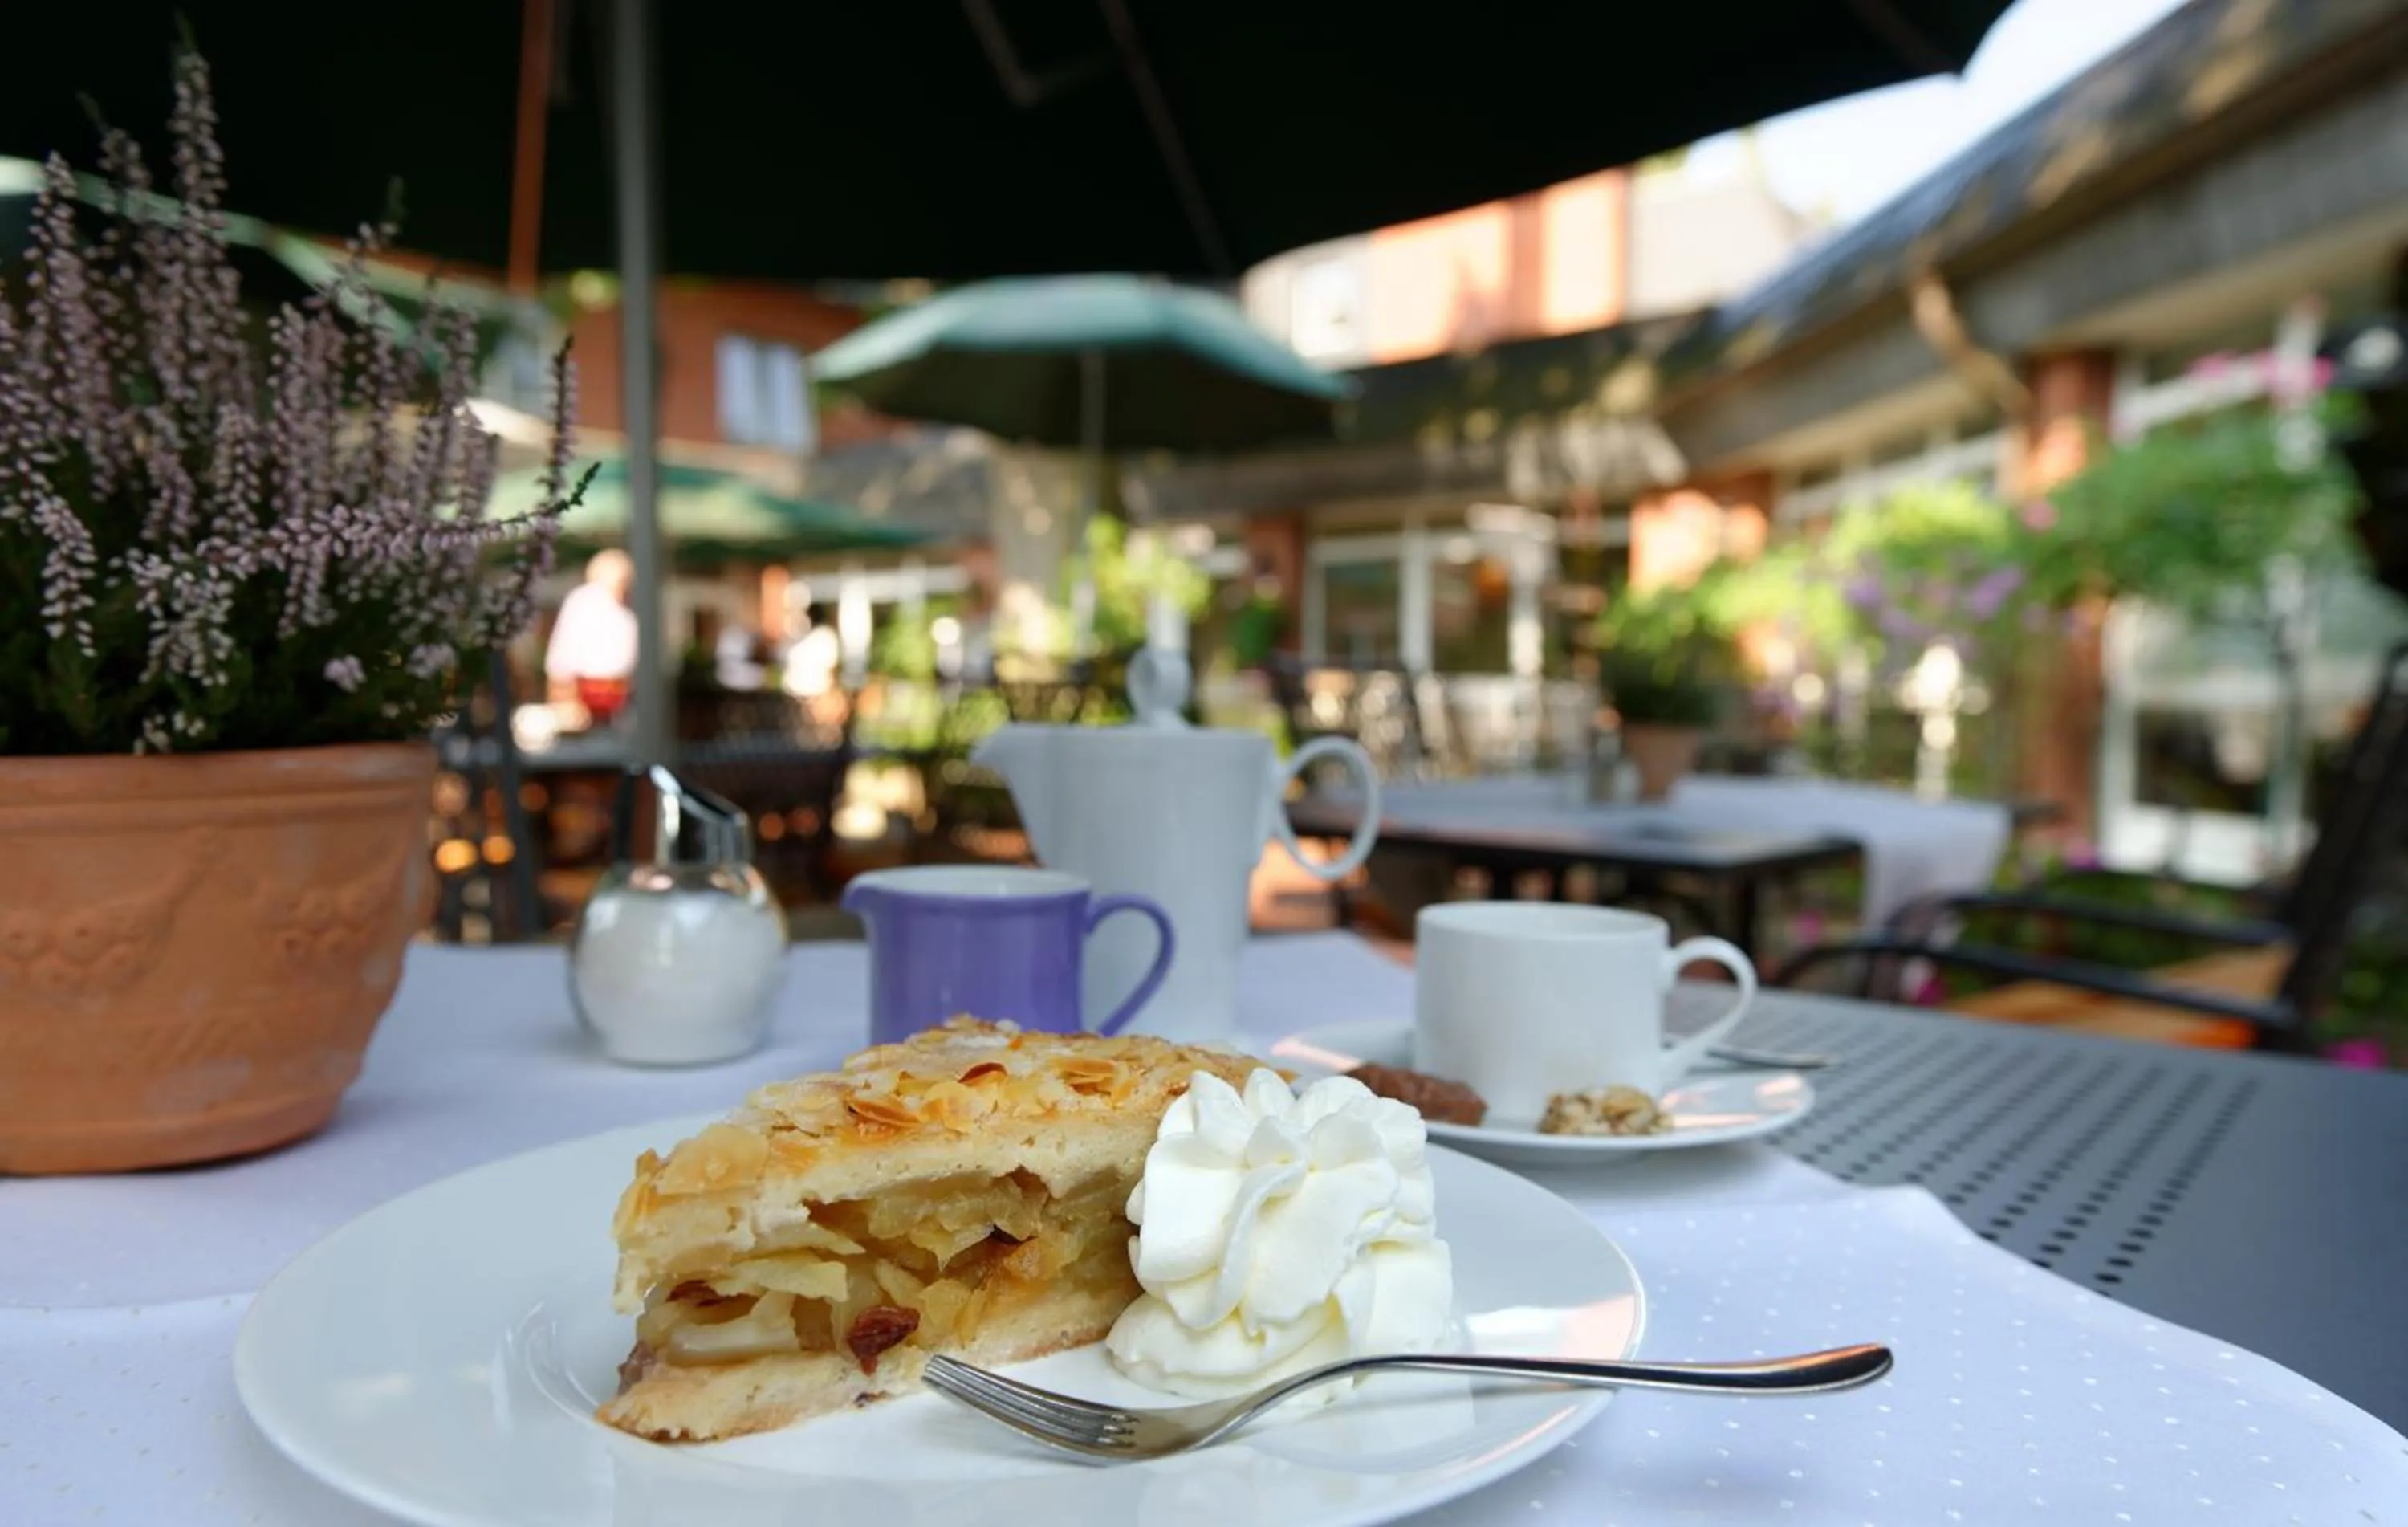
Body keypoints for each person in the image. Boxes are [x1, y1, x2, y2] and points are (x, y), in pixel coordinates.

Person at [543, 550, 639, 726]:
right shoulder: (584, 602)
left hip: (620, 696)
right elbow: (563, 654)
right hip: (585, 694)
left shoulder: (627, 607)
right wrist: (564, 696)